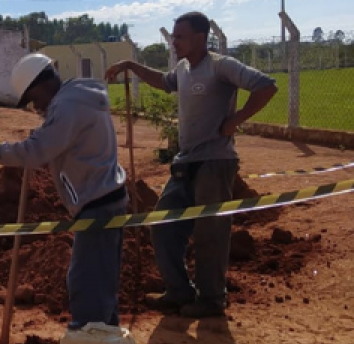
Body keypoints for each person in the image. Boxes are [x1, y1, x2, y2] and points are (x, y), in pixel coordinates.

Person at [105, 11, 278, 318]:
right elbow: (163, 81)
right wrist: (131, 65)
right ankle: (179, 291)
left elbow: (266, 86)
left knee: (210, 232)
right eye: (173, 36)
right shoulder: (183, 69)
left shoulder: (221, 65)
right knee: (162, 225)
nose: (174, 42)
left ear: (201, 37)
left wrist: (234, 121)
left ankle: (212, 300)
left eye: (180, 36)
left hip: (215, 161)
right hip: (186, 162)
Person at [0, 53, 128, 330]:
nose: (36, 108)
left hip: (97, 203)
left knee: (86, 282)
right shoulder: (79, 96)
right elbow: (56, 146)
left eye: (33, 100)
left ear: (42, 85)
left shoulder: (67, 107)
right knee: (101, 280)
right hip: (107, 196)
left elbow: (36, 152)